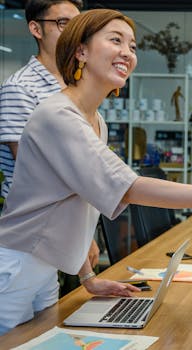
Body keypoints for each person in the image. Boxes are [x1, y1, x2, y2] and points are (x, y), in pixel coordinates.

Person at [0, 9, 192, 335]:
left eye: (132, 46)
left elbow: (75, 205)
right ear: (81, 51)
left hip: (46, 267)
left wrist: (89, 278)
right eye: (115, 40)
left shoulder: (95, 121)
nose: (127, 53)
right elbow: (127, 186)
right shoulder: (58, 115)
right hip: (16, 268)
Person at [0, 1, 101, 283]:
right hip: (27, 239)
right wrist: (81, 239)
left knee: (49, 324)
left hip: (61, 237)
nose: (74, 33)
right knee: (19, 328)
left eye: (78, 26)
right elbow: (41, 174)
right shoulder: (20, 89)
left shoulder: (75, 87)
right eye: (63, 24)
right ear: (36, 29)